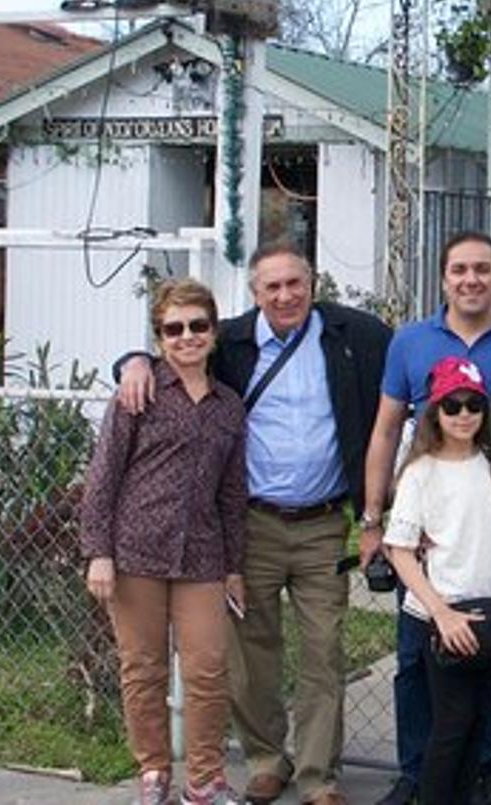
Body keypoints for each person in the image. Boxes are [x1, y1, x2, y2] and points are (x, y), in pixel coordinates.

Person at [116, 243, 391, 805]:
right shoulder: (232, 345)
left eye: (295, 283)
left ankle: (319, 775)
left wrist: (374, 516)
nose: (285, 295)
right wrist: (131, 360)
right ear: (255, 293)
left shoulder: (356, 336)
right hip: (250, 526)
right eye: (273, 287)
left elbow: (406, 382)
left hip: (323, 525)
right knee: (248, 655)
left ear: (313, 283)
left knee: (324, 650)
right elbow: (175, 353)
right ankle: (267, 759)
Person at [361, 230, 491, 805]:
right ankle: (417, 772)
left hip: (490, 517)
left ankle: (480, 769)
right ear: (444, 277)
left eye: (482, 269)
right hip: (424, 525)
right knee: (413, 658)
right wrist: (374, 519)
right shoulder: (410, 341)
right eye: (459, 270)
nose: (470, 279)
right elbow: (384, 429)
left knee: (489, 652)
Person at [83, 278, 248, 805]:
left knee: (206, 668)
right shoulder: (139, 392)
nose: (186, 337)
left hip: (202, 556)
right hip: (135, 553)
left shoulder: (228, 407)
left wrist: (234, 567)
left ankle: (205, 779)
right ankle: (154, 772)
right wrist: (99, 552)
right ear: (158, 338)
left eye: (197, 326)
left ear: (213, 332)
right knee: (144, 667)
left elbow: (232, 494)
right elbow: (104, 475)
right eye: (173, 329)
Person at [381, 356, 491, 805]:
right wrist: (440, 611)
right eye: (452, 405)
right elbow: (399, 549)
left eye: (473, 404)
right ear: (435, 411)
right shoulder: (420, 473)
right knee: (450, 726)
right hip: (441, 617)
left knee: (482, 725)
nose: (463, 415)